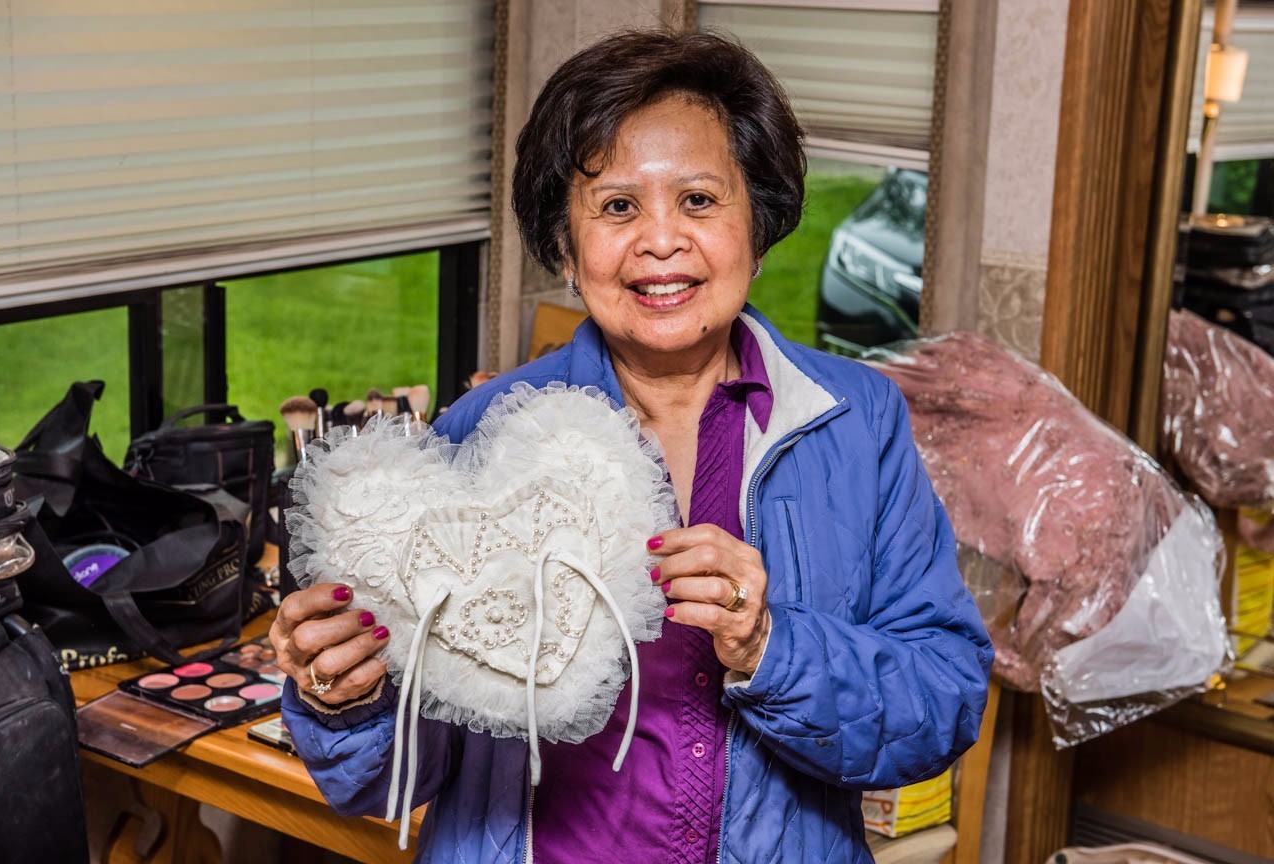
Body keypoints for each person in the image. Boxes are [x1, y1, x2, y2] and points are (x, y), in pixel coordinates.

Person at [271, 30, 993, 864]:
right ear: (565, 249)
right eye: (617, 207)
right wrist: (342, 698)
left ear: (756, 227)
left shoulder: (854, 421)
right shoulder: (477, 434)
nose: (660, 241)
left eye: (698, 200)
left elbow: (940, 705)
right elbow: (390, 785)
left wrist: (769, 645)